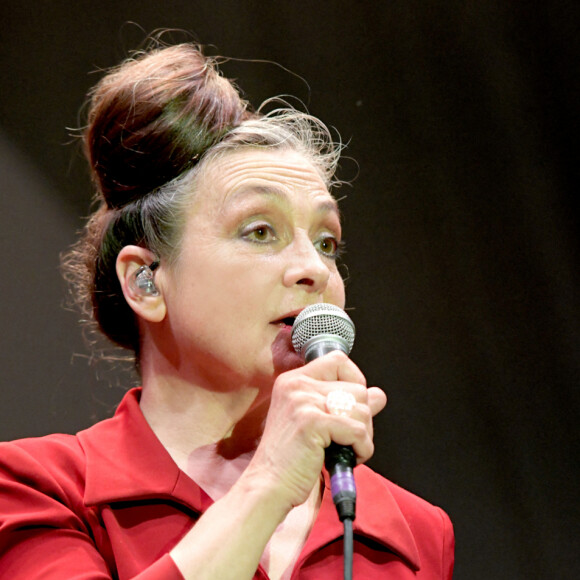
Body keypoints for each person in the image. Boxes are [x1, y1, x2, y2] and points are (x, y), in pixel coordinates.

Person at [0, 42, 454, 579]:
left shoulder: (413, 532)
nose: (314, 269)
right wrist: (267, 484)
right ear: (146, 282)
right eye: (260, 231)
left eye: (327, 242)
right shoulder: (39, 490)